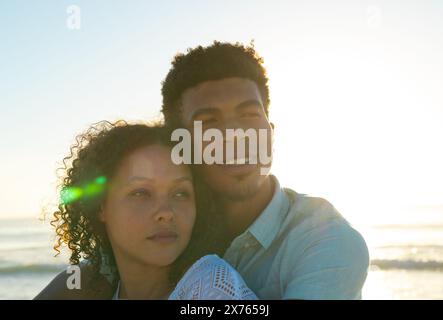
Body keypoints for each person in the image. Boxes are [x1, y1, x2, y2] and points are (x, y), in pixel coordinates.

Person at [36, 41, 369, 300]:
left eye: (250, 116)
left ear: (271, 129)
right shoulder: (169, 228)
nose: (237, 137)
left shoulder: (326, 240)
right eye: (208, 123)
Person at [36, 120, 257, 300]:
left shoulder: (211, 288)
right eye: (141, 193)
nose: (166, 212)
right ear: (101, 206)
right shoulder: (97, 287)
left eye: (180, 193)